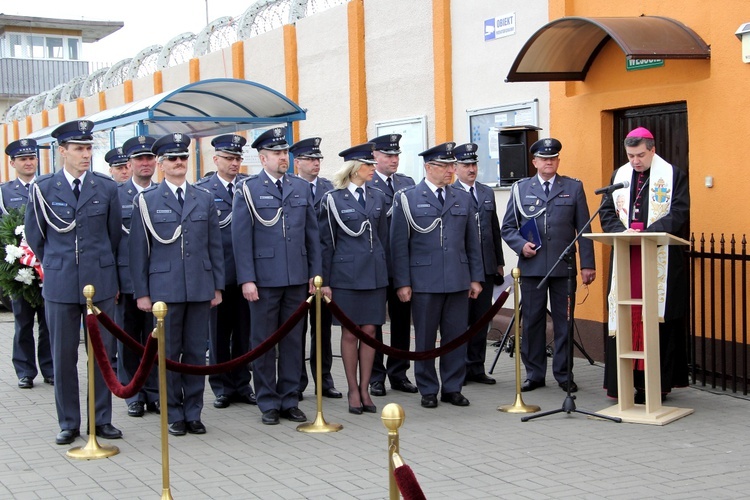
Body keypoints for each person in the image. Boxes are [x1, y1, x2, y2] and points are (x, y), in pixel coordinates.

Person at [24, 120, 123, 445]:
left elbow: (112, 236)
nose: (85, 154)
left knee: (101, 354)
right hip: (62, 282)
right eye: (79, 148)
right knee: (64, 354)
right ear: (62, 151)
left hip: (100, 280)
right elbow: (36, 236)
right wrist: (58, 263)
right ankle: (69, 422)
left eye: (88, 148)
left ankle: (101, 419)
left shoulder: (106, 187)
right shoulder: (43, 188)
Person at [129, 133, 224, 436]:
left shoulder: (203, 197)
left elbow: (214, 246)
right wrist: (142, 292)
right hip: (164, 289)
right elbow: (138, 251)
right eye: (172, 159)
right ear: (160, 164)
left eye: (183, 157)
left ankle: (193, 411)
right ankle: (173, 412)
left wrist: (217, 286)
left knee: (196, 353)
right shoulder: (146, 200)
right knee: (168, 354)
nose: (179, 163)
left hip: (198, 285)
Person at [232, 127, 321, 425]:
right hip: (264, 279)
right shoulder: (248, 189)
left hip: (296, 277)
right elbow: (241, 239)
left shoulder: (300, 187)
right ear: (262, 158)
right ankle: (268, 401)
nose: (284, 157)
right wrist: (247, 279)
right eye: (278, 153)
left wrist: (314, 275)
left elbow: (312, 235)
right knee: (264, 342)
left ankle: (289, 398)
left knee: (293, 340)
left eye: (285, 152)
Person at [600, 126, 690, 403]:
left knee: (657, 314)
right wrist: (621, 232)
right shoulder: (619, 176)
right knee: (625, 313)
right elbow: (606, 211)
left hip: (657, 253)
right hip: (627, 253)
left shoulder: (673, 175)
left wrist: (650, 232)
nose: (635, 161)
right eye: (630, 155)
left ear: (652, 150)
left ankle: (656, 384)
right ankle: (624, 384)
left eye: (640, 155)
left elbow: (680, 211)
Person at [390, 142, 483, 409]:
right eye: (445, 166)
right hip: (424, 280)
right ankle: (428, 388)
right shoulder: (407, 198)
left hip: (456, 277)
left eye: (452, 166)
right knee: (426, 337)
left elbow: (471, 242)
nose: (451, 171)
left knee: (455, 336)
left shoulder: (462, 197)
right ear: (429, 167)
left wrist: (475, 277)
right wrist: (403, 282)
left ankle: (452, 387)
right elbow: (399, 244)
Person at [500, 138, 596, 393]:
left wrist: (587, 264)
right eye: (543, 159)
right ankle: (535, 373)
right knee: (532, 322)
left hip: (563, 268)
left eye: (552, 158)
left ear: (558, 161)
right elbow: (508, 227)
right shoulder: (521, 189)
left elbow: (584, 229)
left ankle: (564, 374)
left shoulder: (573, 188)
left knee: (564, 322)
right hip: (532, 269)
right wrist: (521, 245)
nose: (548, 162)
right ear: (534, 162)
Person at [319, 142, 388, 414]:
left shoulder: (378, 196)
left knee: (370, 332)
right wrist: (325, 281)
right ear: (355, 168)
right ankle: (351, 389)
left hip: (374, 274)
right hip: (346, 275)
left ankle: (365, 388)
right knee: (350, 333)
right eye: (369, 165)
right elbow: (327, 243)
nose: (373, 168)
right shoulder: (333, 199)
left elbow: (382, 237)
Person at [196, 134, 256, 409]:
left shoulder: (248, 187)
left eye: (238, 159)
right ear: (215, 159)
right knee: (218, 335)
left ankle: (242, 384)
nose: (234, 163)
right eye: (229, 158)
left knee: (245, 333)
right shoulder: (204, 190)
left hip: (245, 274)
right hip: (217, 276)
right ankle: (221, 386)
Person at [365, 134, 418, 397]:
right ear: (375, 156)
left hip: (401, 265)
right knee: (374, 322)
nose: (393, 160)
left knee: (400, 322)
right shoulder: (367, 181)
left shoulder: (407, 183)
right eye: (388, 155)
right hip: (376, 264)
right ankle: (376, 376)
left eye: (396, 155)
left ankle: (399, 372)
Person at [290, 137, 342, 401]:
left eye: (318, 159)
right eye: (310, 159)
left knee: (322, 330)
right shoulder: (289, 187)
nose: (315, 163)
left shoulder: (330, 188)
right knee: (297, 330)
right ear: (296, 162)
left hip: (325, 268)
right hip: (299, 268)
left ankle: (324, 380)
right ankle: (297, 382)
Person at [451, 143, 505, 385]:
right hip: (462, 269)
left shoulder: (485, 192)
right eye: (466, 165)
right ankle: (459, 368)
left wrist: (499, 263)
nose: (471, 169)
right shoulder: (451, 193)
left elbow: (494, 230)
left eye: (473, 164)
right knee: (461, 321)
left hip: (485, 266)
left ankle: (477, 367)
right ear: (455, 168)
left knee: (481, 320)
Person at [2, 138, 53, 390]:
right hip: (19, 270)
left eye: (32, 158)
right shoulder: (4, 192)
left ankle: (49, 368)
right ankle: (24, 371)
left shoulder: (48, 186)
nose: (29, 162)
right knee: (23, 322)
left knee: (48, 321)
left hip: (47, 266)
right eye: (23, 159)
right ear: (13, 163)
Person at [114, 135, 160, 418]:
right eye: (140, 159)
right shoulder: (115, 194)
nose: (145, 163)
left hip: (158, 280)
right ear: (129, 164)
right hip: (126, 280)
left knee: (154, 338)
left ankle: (154, 392)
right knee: (129, 339)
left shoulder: (162, 193)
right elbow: (109, 240)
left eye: (150, 158)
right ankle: (132, 393)